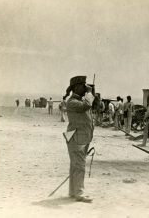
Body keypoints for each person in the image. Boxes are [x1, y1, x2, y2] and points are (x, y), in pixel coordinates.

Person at [64, 75, 94, 203]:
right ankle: (79, 193)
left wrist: (91, 93)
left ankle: (73, 191)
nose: (85, 88)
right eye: (83, 85)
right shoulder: (72, 102)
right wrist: (89, 93)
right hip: (77, 137)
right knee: (79, 166)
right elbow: (86, 106)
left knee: (75, 165)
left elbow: (94, 105)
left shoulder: (81, 100)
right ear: (76, 87)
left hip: (80, 137)